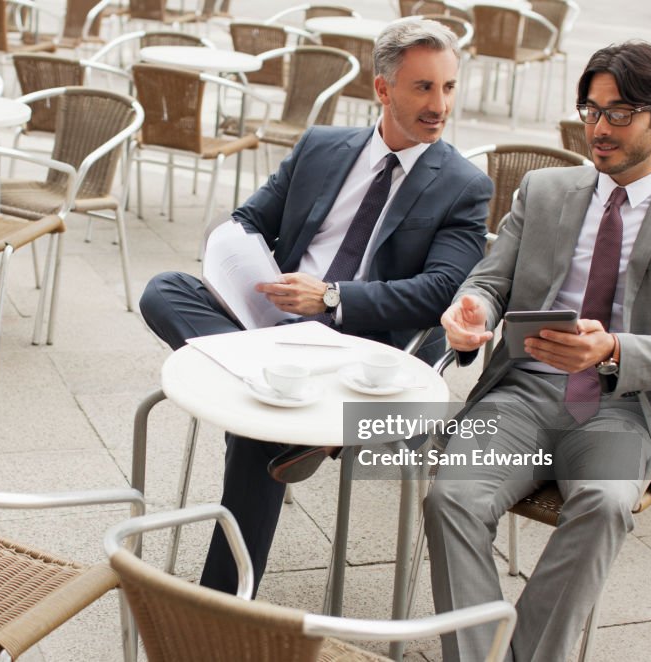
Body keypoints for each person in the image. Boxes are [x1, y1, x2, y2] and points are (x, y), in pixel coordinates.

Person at [139, 17, 493, 594]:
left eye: (448, 87)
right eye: (423, 87)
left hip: (354, 347)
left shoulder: (462, 183)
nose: (440, 104)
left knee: (256, 434)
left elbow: (441, 289)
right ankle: (281, 406)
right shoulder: (322, 146)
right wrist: (239, 259)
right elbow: (252, 219)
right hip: (269, 326)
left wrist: (330, 299)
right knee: (164, 289)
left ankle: (219, 600)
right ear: (383, 89)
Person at [425, 41, 651, 661]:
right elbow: (491, 281)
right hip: (522, 392)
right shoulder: (543, 190)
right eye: (591, 111)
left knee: (604, 503)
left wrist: (614, 349)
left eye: (619, 113)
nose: (598, 128)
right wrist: (472, 314)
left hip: (624, 407)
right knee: (450, 497)